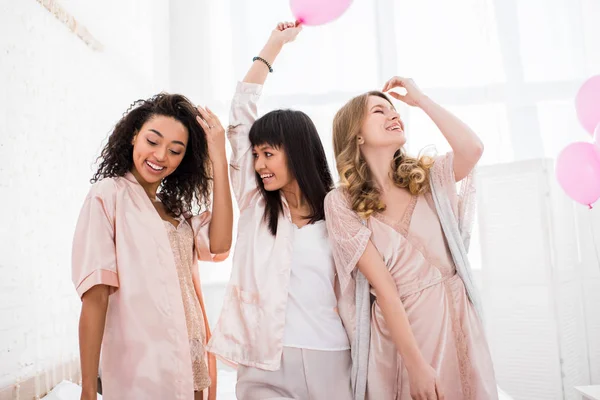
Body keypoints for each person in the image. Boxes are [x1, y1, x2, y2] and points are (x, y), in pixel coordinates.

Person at [325, 76, 498, 399]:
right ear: (357, 134)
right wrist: (416, 364)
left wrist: (421, 100)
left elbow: (472, 149)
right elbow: (386, 292)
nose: (394, 115)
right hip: (404, 334)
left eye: (394, 110)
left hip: (458, 316)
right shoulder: (342, 203)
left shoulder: (427, 178)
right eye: (379, 111)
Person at [206, 21, 353, 400]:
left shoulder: (340, 212)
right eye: (255, 155)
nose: (259, 164)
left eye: (268, 153)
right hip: (263, 362)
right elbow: (241, 113)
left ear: (298, 152)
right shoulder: (256, 205)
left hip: (331, 359)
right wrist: (274, 45)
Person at [72, 93, 233, 400]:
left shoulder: (176, 210)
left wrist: (219, 158)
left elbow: (220, 242)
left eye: (175, 150)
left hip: (193, 354)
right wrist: (88, 388)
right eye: (153, 141)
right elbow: (95, 296)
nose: (160, 156)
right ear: (134, 136)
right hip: (145, 364)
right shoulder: (109, 195)